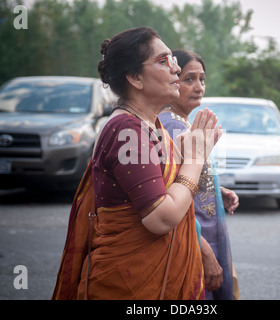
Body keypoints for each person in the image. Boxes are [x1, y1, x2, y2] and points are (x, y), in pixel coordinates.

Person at [52, 27, 222, 300]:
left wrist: (190, 153)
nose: (175, 69)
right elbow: (161, 217)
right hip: (128, 286)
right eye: (163, 60)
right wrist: (194, 158)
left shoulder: (150, 125)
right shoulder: (126, 130)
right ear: (135, 77)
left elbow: (165, 183)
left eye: (173, 60)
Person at [159, 49, 240, 300]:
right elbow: (167, 196)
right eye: (188, 79)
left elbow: (187, 176)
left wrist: (215, 190)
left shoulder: (183, 122)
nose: (198, 87)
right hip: (194, 240)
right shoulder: (171, 125)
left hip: (203, 232)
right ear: (172, 81)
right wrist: (204, 253)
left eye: (202, 79)